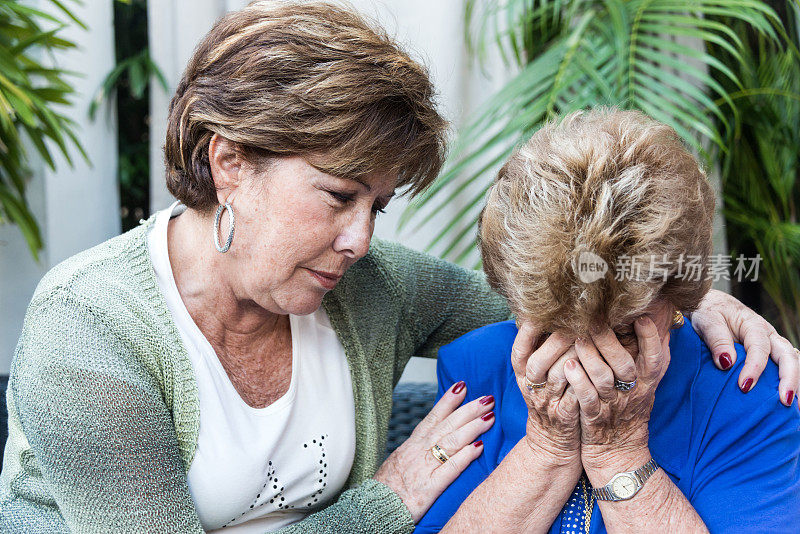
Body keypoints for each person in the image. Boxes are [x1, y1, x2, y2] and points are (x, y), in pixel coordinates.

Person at [0, 3, 796, 532]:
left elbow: (563, 292)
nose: (359, 239)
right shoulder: (90, 330)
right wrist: (390, 502)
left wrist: (689, 299)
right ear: (229, 161)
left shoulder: (363, 285)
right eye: (339, 195)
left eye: (377, 206)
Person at [415, 109, 800, 533]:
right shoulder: (478, 366)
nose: (585, 364)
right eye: (553, 328)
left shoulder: (748, 395)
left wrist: (619, 451)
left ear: (677, 299)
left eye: (621, 332)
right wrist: (545, 449)